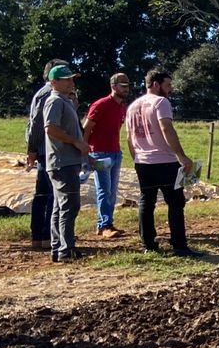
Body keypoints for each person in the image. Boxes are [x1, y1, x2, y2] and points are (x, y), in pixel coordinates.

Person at [126, 69, 198, 255]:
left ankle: (148, 244)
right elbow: (167, 129)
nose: (170, 89)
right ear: (156, 84)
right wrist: (181, 156)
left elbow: (129, 136)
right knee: (175, 202)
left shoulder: (133, 106)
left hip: (142, 161)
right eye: (167, 85)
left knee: (146, 202)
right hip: (164, 160)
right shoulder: (161, 102)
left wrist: (136, 157)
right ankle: (179, 246)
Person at [42, 63, 87, 262]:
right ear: (53, 82)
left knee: (61, 206)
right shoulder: (55, 101)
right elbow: (50, 128)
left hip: (67, 160)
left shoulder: (65, 101)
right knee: (70, 205)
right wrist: (75, 141)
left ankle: (59, 247)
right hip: (62, 161)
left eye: (71, 78)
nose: (71, 82)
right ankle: (65, 249)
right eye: (66, 79)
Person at [24, 58, 67, 249]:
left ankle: (43, 237)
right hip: (46, 152)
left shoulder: (49, 94)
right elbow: (37, 126)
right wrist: (32, 150)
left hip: (48, 151)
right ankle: (44, 236)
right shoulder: (48, 95)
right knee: (48, 195)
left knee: (46, 195)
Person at [83, 72, 131, 239]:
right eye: (122, 85)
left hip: (115, 153)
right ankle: (105, 225)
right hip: (99, 153)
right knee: (104, 189)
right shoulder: (100, 105)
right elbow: (87, 128)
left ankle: (105, 222)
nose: (126, 89)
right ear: (113, 86)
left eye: (128, 85)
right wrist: (85, 151)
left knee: (112, 191)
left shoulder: (123, 107)